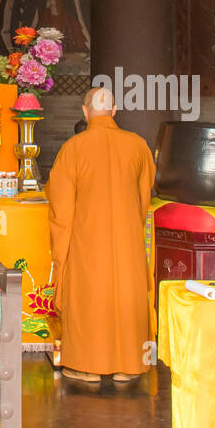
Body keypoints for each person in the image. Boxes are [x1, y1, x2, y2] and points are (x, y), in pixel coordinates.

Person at [47, 86, 156, 385]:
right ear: (115, 110)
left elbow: (61, 206)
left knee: (89, 297)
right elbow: (144, 195)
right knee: (126, 293)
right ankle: (128, 365)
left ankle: (87, 367)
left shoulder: (74, 147)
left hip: (87, 241)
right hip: (127, 241)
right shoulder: (138, 145)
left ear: (85, 111)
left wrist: (61, 251)